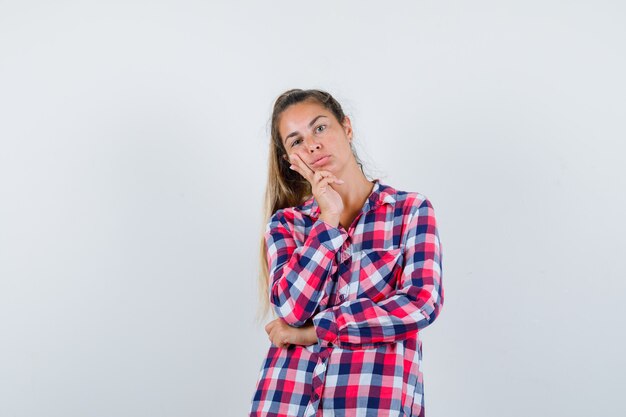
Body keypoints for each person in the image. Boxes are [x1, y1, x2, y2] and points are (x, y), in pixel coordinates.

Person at [248, 88, 444, 417]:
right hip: (286, 400)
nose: (312, 144)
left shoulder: (410, 211)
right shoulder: (287, 225)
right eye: (296, 141)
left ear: (347, 128)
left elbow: (421, 303)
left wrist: (316, 331)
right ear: (290, 160)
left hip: (372, 402)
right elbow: (293, 311)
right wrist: (327, 220)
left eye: (320, 128)